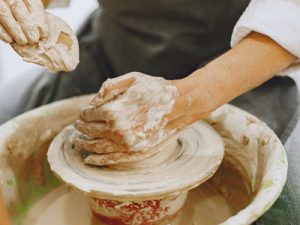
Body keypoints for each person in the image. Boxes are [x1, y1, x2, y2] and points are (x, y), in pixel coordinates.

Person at [0, 0, 300, 224]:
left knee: (290, 205)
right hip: (118, 47)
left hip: (238, 59)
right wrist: (26, 9)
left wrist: (186, 99)